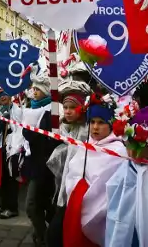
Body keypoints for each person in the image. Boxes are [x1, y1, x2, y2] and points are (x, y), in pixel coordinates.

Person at [106, 105, 148, 247]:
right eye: (130, 144)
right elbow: (115, 195)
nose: (132, 152)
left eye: (140, 145)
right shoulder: (127, 166)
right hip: (129, 232)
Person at [61, 99, 127, 247]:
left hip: (102, 215)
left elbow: (112, 186)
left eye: (101, 122)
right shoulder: (86, 145)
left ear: (111, 125)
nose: (95, 127)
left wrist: (88, 197)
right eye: (92, 122)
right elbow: (73, 172)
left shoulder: (118, 151)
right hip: (77, 207)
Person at [46, 79, 91, 246]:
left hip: (78, 191)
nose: (68, 111)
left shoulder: (87, 132)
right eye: (65, 108)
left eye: (73, 107)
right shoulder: (64, 130)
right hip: (62, 190)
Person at [22, 70, 61, 247]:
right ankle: (43, 235)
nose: (35, 92)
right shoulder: (32, 107)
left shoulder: (53, 110)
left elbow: (53, 140)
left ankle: (47, 237)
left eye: (39, 89)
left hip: (48, 167)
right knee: (33, 205)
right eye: (34, 89)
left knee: (40, 205)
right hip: (34, 165)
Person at [0, 89, 20, 219]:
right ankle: (3, 204)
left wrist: (11, 123)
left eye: (5, 94)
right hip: (3, 146)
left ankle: (12, 208)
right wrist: (0, 120)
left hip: (13, 149)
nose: (3, 97)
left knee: (11, 178)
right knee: (4, 177)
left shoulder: (17, 109)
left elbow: (20, 129)